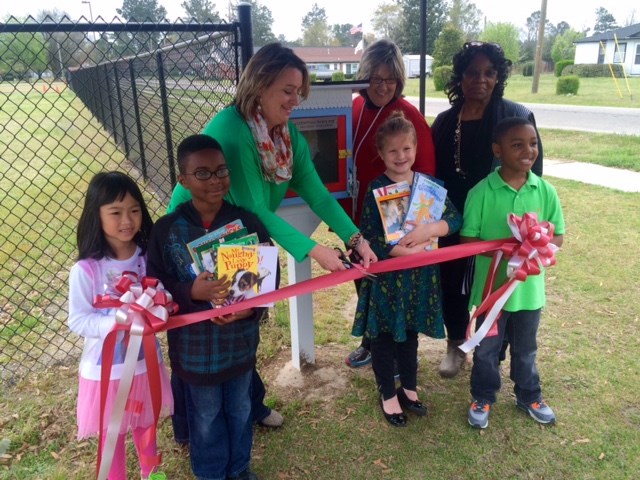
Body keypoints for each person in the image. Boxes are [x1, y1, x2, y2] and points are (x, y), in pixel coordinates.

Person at [166, 43, 377, 429]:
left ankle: (250, 404)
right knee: (202, 334)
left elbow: (317, 193)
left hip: (236, 240)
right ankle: (191, 424)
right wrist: (316, 251)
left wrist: (355, 239)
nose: (296, 99)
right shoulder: (233, 129)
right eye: (287, 90)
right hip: (195, 240)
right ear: (260, 85)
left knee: (242, 323)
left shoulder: (286, 136)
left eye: (299, 91)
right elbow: (256, 210)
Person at [147, 134, 272, 480]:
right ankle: (211, 473)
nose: (215, 180)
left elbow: (267, 277)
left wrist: (250, 310)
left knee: (240, 409)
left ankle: (240, 469)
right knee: (205, 416)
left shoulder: (246, 223)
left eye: (221, 171)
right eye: (202, 173)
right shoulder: (167, 230)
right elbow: (155, 285)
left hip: (240, 344)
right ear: (182, 180)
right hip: (194, 351)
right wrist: (193, 291)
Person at [431, 41, 544, 378]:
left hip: (500, 221)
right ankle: (455, 344)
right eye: (472, 73)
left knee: (499, 285)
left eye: (489, 73)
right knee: (452, 283)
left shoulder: (518, 116)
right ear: (460, 78)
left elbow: (533, 172)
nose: (480, 79)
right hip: (452, 220)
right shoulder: (444, 122)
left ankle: (494, 348)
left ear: (498, 77)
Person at [352, 112, 461, 427]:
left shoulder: (429, 188)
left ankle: (409, 390)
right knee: (385, 337)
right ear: (381, 154)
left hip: (419, 278)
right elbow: (368, 233)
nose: (401, 157)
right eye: (392, 151)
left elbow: (455, 218)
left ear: (415, 149)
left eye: (407, 149)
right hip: (388, 279)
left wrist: (430, 231)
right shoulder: (376, 188)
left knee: (410, 334)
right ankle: (388, 393)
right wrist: (394, 251)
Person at [68, 171, 173, 480]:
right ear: (95, 216)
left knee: (146, 426)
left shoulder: (148, 259)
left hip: (145, 367)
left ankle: (151, 474)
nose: (127, 219)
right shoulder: (86, 270)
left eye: (134, 210)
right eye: (115, 212)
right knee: (111, 436)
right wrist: (119, 319)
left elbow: (163, 298)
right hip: (105, 374)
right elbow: (78, 319)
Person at [460, 117, 564, 429]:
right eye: (517, 144)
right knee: (487, 349)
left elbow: (557, 235)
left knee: (526, 349)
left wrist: (537, 247)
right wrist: (504, 251)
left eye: (533, 143)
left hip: (530, 293)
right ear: (498, 150)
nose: (528, 150)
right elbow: (468, 239)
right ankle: (483, 395)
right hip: (491, 294)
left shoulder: (545, 191)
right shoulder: (481, 192)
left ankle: (529, 394)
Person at [345, 38, 437, 369]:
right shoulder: (353, 108)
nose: (383, 86)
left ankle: (397, 348)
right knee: (364, 280)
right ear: (364, 75)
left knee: (394, 288)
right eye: (376, 78)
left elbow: (425, 175)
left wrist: (414, 227)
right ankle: (372, 341)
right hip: (358, 218)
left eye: (390, 79)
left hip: (397, 224)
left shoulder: (408, 115)